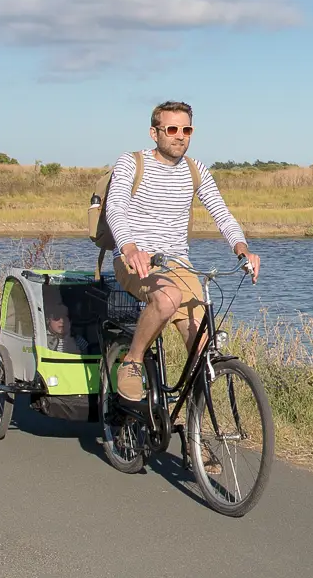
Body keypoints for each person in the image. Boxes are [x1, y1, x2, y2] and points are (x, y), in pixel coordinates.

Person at [105, 100, 260, 406]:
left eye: (186, 129)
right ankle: (132, 362)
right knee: (167, 299)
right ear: (154, 132)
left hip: (179, 263)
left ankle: (196, 433)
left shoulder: (195, 169)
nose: (180, 136)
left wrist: (242, 249)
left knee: (204, 349)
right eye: (172, 129)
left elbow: (222, 214)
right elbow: (116, 208)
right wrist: (130, 247)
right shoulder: (131, 162)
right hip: (137, 262)